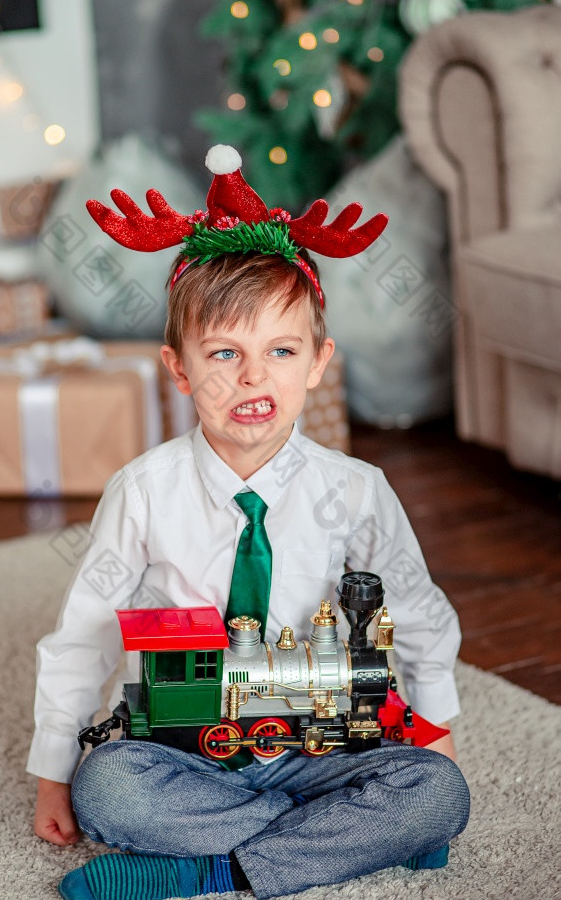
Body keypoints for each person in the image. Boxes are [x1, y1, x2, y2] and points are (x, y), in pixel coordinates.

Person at [26, 146, 470, 900]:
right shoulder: (141, 491)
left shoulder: (358, 490)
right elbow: (83, 634)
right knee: (107, 788)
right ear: (180, 369)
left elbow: (421, 614)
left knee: (439, 793)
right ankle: (338, 841)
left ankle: (210, 866)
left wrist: (437, 729)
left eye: (281, 351)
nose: (254, 377)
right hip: (185, 745)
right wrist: (50, 776)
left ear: (319, 362)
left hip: (319, 736)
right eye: (224, 353)